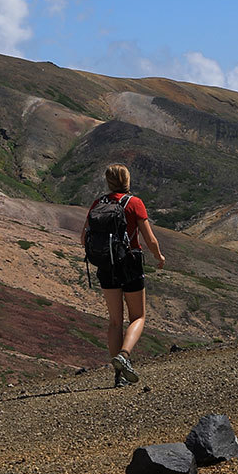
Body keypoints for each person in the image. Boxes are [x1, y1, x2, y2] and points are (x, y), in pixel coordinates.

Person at [81, 163, 165, 387]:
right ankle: (125, 356)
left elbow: (83, 238)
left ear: (108, 181)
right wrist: (159, 257)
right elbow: (149, 238)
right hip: (130, 263)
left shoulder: (98, 204)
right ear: (127, 180)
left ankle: (118, 377)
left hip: (106, 266)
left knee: (115, 321)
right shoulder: (134, 203)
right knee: (138, 317)